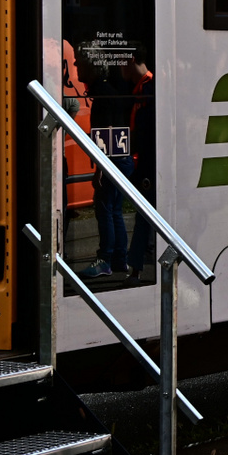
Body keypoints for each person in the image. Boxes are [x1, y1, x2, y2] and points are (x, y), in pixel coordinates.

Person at [80, 51, 134, 279]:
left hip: (111, 161)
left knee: (105, 211)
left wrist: (99, 169)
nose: (75, 67)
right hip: (122, 159)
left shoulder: (102, 96)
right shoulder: (109, 91)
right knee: (115, 211)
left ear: (92, 67)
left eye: (79, 63)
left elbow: (104, 135)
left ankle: (105, 260)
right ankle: (120, 260)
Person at [122, 44, 156, 280]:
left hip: (149, 161)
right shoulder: (139, 88)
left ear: (131, 59)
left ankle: (135, 267)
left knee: (145, 214)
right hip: (144, 159)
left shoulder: (150, 88)